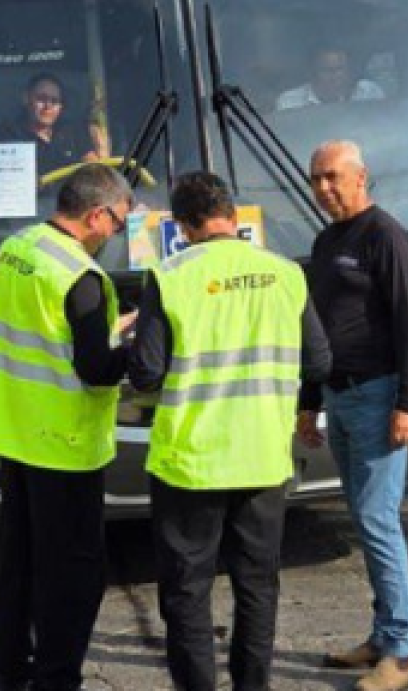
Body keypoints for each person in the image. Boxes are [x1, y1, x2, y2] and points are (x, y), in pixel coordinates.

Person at [127, 172, 331, 691]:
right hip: (262, 457)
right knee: (258, 586)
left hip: (190, 461)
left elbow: (147, 374)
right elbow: (320, 360)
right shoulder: (286, 273)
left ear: (182, 224)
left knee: (187, 592)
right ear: (233, 217)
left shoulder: (168, 276)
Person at [0, 162, 137, 691]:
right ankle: (57, 680)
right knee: (73, 577)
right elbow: (93, 368)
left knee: (19, 560)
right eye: (119, 221)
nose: (117, 232)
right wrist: (136, 350)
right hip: (63, 446)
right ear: (95, 215)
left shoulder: (18, 247)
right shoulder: (81, 278)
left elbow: (46, 331)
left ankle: (7, 673)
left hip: (13, 433)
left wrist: (106, 328)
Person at [297, 140, 408, 691]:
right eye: (316, 179)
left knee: (377, 522)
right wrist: (308, 404)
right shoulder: (327, 240)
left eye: (332, 177)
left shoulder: (385, 236)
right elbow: (315, 330)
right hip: (338, 395)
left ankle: (402, 652)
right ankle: (381, 636)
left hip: (379, 397)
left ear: (360, 177)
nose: (324, 188)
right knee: (365, 518)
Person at [0, 72, 100, 172]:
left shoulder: (73, 132)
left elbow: (93, 170)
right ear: (26, 99)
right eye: (41, 99)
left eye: (54, 101)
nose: (48, 106)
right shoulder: (8, 134)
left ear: (61, 106)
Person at [276, 48, 386, 111]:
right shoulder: (290, 102)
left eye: (340, 69)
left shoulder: (369, 93)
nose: (335, 76)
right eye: (327, 71)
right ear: (312, 73)